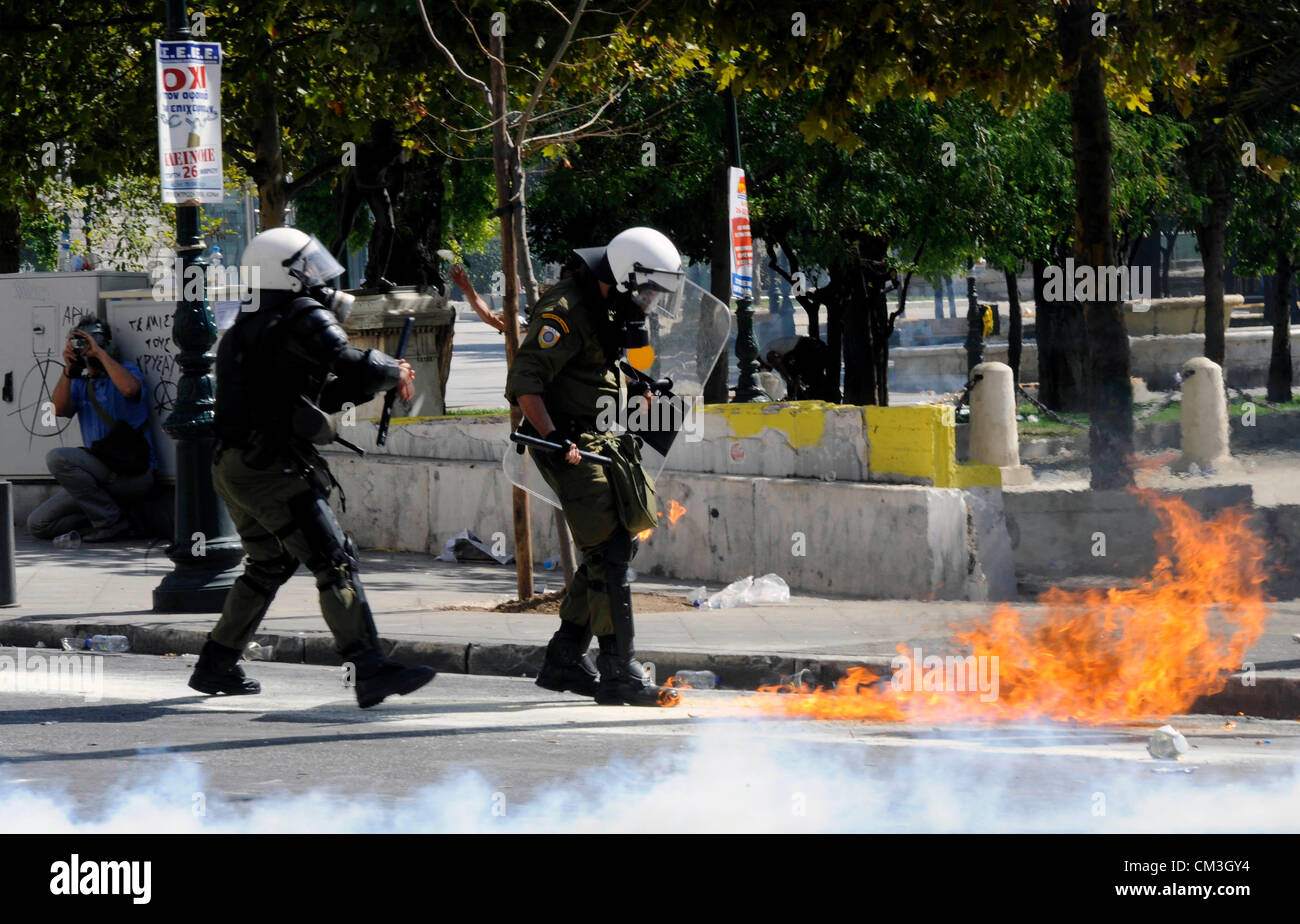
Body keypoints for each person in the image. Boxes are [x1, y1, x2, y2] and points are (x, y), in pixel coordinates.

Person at [189, 227, 434, 709]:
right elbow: (352, 363)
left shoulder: (250, 325)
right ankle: (369, 669)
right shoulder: (301, 313)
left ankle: (216, 664)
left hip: (234, 466)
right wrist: (393, 371)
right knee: (333, 561)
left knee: (269, 564)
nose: (319, 277)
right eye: (308, 267)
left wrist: (376, 379)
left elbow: (318, 395)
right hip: (270, 468)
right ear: (287, 274)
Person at [505, 226, 682, 707]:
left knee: (616, 545)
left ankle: (565, 658)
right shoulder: (564, 308)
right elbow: (525, 381)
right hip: (568, 443)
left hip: (601, 438)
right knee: (609, 552)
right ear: (625, 275)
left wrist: (635, 382)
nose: (650, 299)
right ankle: (619, 670)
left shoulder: (604, 303)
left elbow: (592, 364)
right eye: (647, 288)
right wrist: (552, 437)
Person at [27, 318, 157, 543]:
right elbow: (57, 410)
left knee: (58, 457)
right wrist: (69, 369)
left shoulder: (126, 370)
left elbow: (129, 389)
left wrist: (99, 353)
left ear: (106, 344)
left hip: (132, 474)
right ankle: (117, 519)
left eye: (92, 342)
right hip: (97, 477)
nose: (87, 349)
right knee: (38, 524)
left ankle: (112, 522)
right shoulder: (80, 383)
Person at [448, 263, 524, 339]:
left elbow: (491, 319)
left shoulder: (526, 327)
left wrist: (467, 288)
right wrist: (467, 288)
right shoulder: (522, 324)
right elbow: (491, 319)